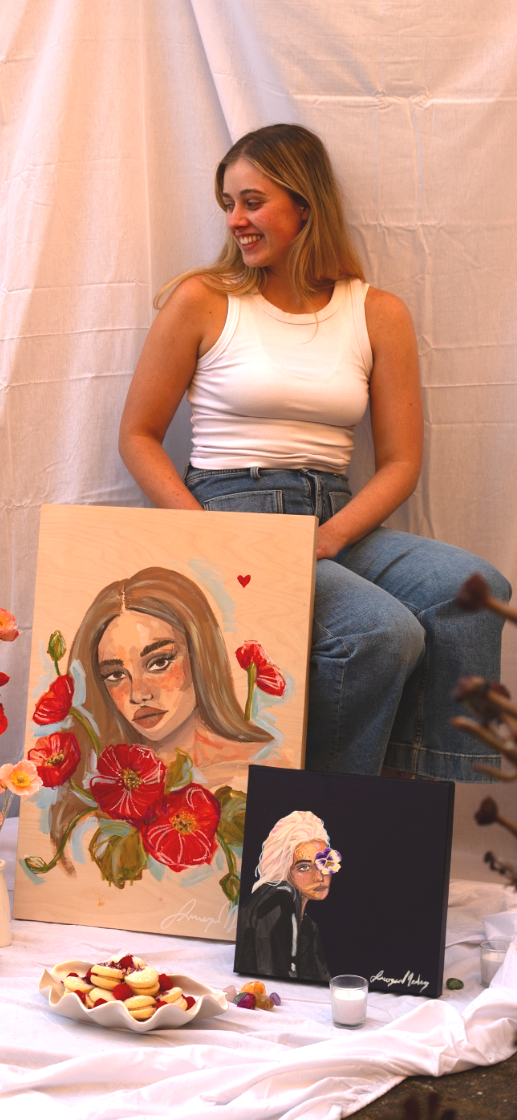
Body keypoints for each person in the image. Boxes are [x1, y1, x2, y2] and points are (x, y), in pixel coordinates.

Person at [118, 122, 510, 781]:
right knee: (379, 634)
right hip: (231, 509)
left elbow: (400, 463)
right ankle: (311, 816)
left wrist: (327, 538)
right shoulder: (203, 300)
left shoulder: (376, 312)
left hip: (336, 515)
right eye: (227, 203)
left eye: (251, 200)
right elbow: (136, 437)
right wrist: (206, 537)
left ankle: (412, 794)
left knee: (474, 592)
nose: (235, 219)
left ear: (304, 205)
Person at [46, 566, 272, 861]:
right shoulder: (92, 788)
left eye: (159, 662)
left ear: (199, 653)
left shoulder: (265, 768)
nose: (139, 693)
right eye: (115, 674)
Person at [236, 809, 336, 981]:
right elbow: (277, 979)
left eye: (323, 863)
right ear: (283, 868)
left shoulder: (308, 926)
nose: (319, 877)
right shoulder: (280, 899)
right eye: (304, 867)